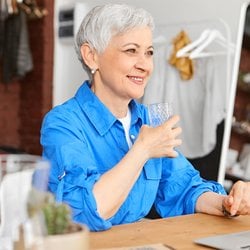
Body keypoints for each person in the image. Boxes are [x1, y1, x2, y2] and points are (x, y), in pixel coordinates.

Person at [40, 3, 250, 232]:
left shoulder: (149, 121)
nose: (145, 65)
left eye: (149, 52)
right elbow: (82, 214)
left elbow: (183, 188)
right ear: (91, 56)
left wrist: (227, 203)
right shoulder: (62, 124)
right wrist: (141, 150)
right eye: (131, 50)